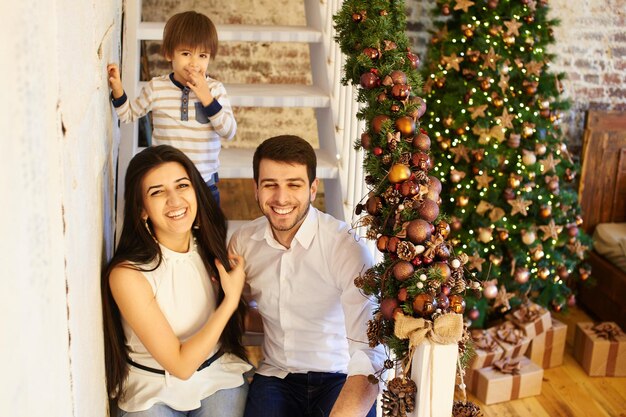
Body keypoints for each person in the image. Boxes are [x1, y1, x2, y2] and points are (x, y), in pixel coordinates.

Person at [228, 135, 385, 417]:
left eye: (294, 184)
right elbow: (234, 306)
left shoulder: (345, 247)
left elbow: (370, 353)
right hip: (277, 376)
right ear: (255, 189)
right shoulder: (243, 243)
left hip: (339, 375)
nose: (281, 198)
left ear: (313, 189)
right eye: (270, 185)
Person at [101, 145, 251, 417]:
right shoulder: (128, 274)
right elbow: (180, 366)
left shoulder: (210, 248)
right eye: (157, 192)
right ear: (142, 209)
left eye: (182, 185)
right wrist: (229, 302)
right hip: (152, 389)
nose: (174, 200)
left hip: (217, 377)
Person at [107, 11, 236, 205]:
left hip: (204, 184)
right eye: (186, 54)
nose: (194, 63)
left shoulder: (215, 90)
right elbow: (128, 115)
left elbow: (229, 131)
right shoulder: (156, 88)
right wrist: (117, 88)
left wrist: (206, 98)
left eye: (202, 55)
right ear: (169, 54)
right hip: (166, 183)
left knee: (208, 235)